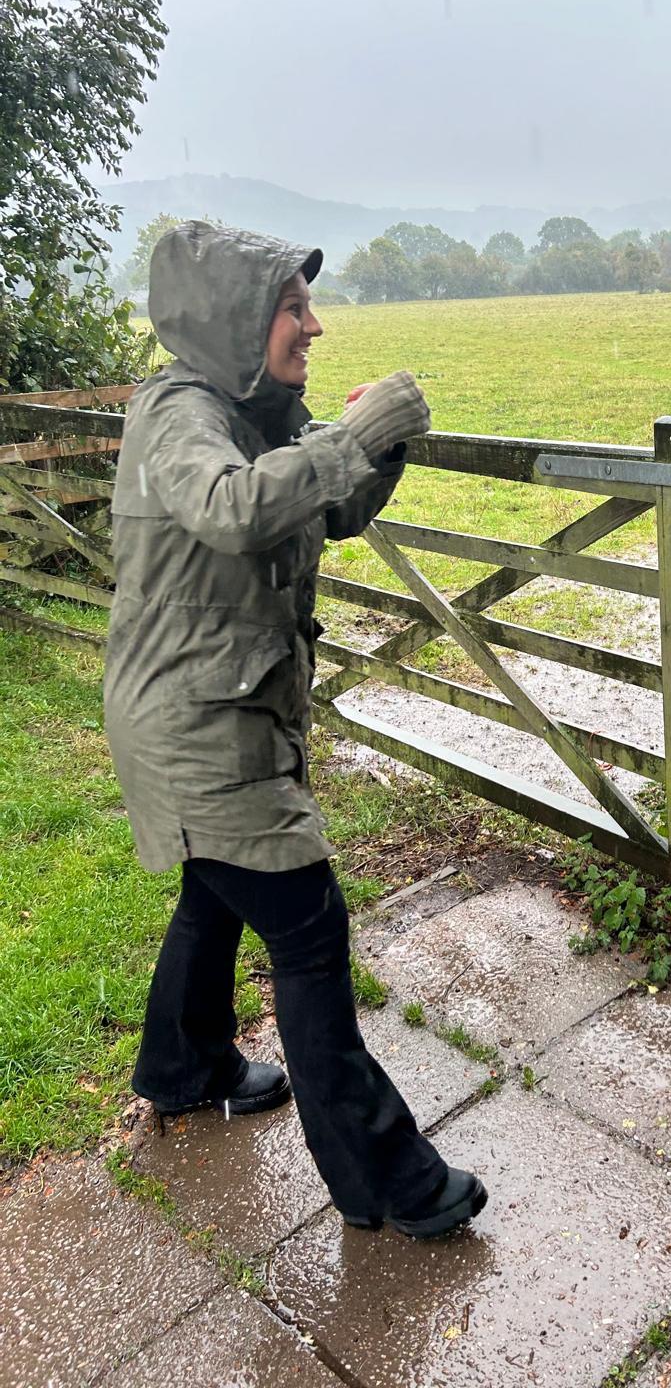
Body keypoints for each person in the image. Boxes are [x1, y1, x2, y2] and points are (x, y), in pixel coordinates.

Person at [104, 221, 487, 1237]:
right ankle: (389, 1181)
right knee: (310, 933)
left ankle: (184, 1068)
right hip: (197, 727)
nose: (314, 325)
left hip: (207, 713)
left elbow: (320, 512)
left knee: (213, 895)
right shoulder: (179, 415)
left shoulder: (246, 410)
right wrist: (348, 438)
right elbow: (235, 509)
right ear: (238, 317)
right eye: (292, 306)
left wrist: (380, 443)